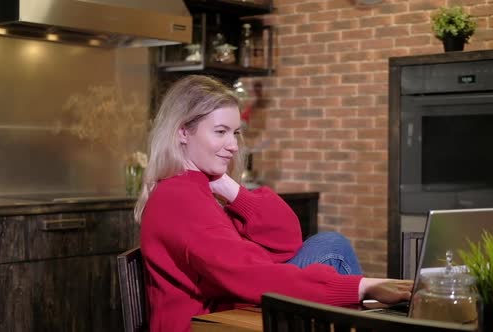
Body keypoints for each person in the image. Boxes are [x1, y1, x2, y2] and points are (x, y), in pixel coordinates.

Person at [135, 75, 412, 332]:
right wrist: (362, 287)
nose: (232, 145)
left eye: (235, 133)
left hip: (229, 308)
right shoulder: (179, 197)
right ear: (183, 132)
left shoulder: (199, 187)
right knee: (333, 251)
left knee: (330, 244)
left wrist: (231, 188)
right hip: (204, 325)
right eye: (220, 132)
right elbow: (245, 272)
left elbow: (287, 241)